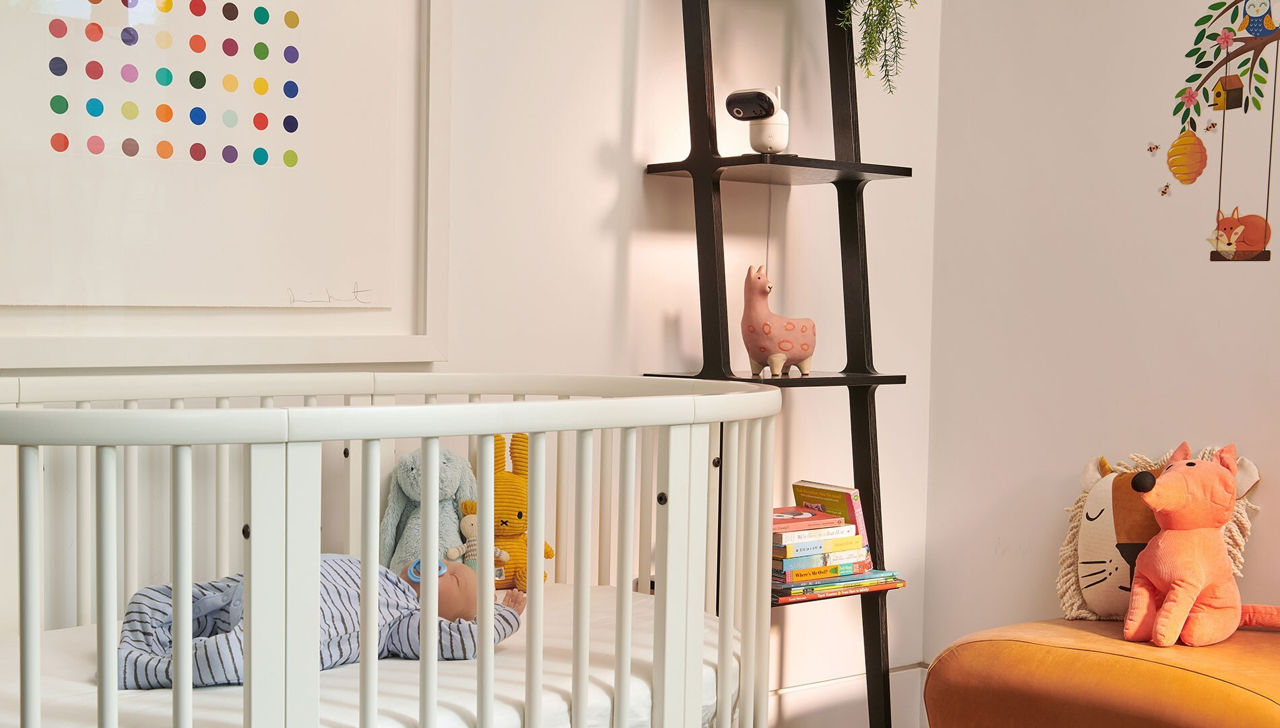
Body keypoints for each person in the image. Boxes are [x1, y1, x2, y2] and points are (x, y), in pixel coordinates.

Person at [118, 555, 526, 689]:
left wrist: (504, 615)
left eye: (455, 578)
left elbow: (464, 642)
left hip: (285, 626)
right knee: (151, 598)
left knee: (230, 657)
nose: (443, 567)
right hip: (246, 588)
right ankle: (141, 644)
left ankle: (146, 668)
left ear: (446, 618)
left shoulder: (405, 618)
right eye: (447, 562)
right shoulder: (374, 567)